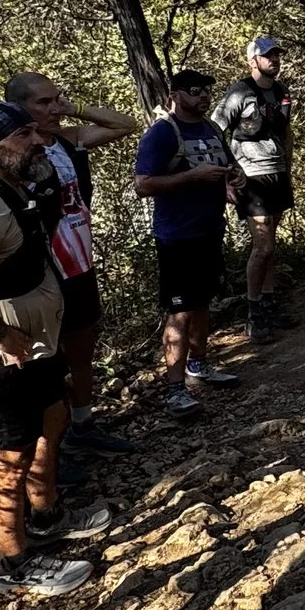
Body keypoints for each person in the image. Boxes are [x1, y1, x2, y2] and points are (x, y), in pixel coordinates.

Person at [0, 101, 111, 596]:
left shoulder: (11, 193)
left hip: (33, 352)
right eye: (25, 133)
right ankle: (16, 565)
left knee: (53, 423)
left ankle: (49, 515)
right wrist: (1, 335)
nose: (39, 140)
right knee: (5, 464)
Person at [7, 70, 138, 454]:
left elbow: (124, 124)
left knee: (82, 350)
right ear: (20, 109)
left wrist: (75, 108)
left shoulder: (68, 140)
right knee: (43, 361)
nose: (54, 108)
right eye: (43, 102)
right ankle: (49, 449)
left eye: (56, 99)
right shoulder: (14, 156)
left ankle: (82, 426)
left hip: (79, 263)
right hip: (41, 273)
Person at [134, 69, 243, 416]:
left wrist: (234, 176)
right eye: (195, 91)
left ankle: (199, 364)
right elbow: (143, 184)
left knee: (203, 302)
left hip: (209, 229)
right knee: (179, 310)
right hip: (177, 236)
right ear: (176, 94)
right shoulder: (163, 134)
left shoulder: (211, 129)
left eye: (207, 90)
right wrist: (191, 177)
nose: (203, 96)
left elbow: (229, 163)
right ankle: (175, 389)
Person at [213, 36, 295, 343]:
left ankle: (269, 304)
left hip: (277, 172)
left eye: (276, 55)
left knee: (271, 243)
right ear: (253, 61)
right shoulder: (239, 93)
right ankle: (253, 314)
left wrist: (288, 169)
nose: (274, 60)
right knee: (263, 247)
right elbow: (214, 130)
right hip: (251, 177)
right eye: (268, 55)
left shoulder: (280, 91)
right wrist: (227, 174)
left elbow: (285, 132)